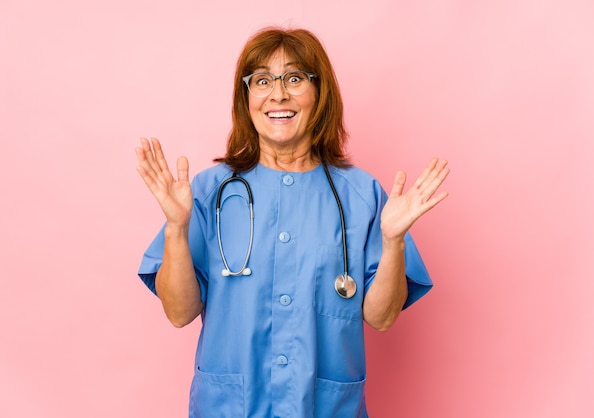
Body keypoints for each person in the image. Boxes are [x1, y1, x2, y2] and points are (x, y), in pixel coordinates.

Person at [135, 27, 449, 418]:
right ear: (246, 98)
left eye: (295, 78)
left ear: (320, 94)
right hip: (230, 408)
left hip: (326, 408)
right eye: (262, 80)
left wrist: (393, 242)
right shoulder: (208, 191)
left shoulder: (362, 195)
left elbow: (381, 318)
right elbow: (179, 313)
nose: (278, 93)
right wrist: (177, 230)